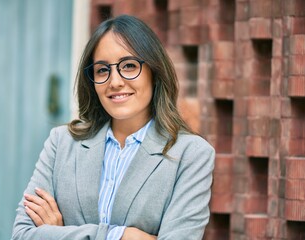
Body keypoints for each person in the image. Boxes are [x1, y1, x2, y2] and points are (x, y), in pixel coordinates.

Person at [12, 14, 215, 240]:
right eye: (102, 70)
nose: (115, 82)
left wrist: (60, 234)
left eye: (128, 66)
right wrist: (121, 235)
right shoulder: (62, 143)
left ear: (154, 72)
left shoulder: (191, 155)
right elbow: (22, 235)